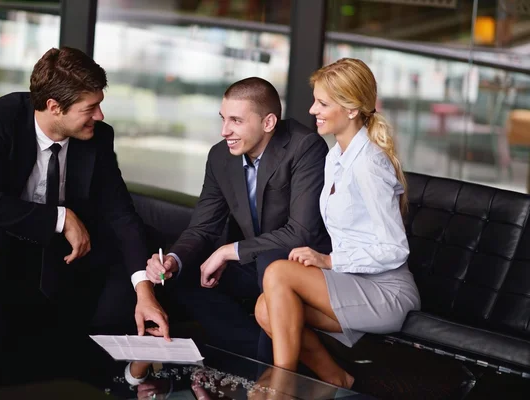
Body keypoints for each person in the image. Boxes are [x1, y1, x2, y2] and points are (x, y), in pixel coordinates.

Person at [0, 47, 169, 369]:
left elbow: (120, 213)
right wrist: (62, 218)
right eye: (91, 107)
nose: (100, 116)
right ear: (54, 107)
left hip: (55, 241)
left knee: (141, 234)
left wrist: (145, 290)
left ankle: (105, 364)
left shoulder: (98, 136)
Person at [253, 58, 421, 388]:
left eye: (323, 103)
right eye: (315, 100)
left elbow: (395, 249)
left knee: (277, 272)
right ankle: (336, 381)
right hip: (353, 281)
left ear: (352, 109)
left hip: (386, 292)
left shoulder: (369, 164)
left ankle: (280, 388)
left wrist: (329, 261)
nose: (313, 109)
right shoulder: (336, 158)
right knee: (264, 308)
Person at [141, 77, 331, 359]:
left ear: (268, 123)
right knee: (183, 277)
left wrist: (230, 251)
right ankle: (249, 360)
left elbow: (301, 232)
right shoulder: (221, 157)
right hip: (255, 261)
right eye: (223, 119)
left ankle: (274, 371)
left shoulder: (305, 147)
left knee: (271, 264)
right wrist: (173, 260)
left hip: (300, 265)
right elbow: (203, 227)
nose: (224, 131)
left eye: (236, 121)